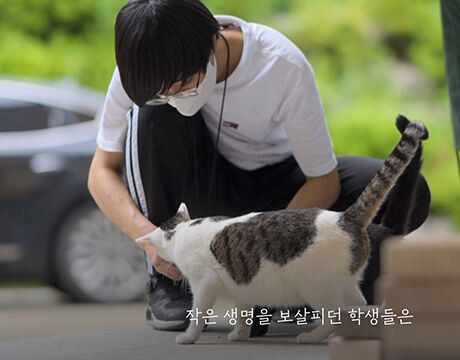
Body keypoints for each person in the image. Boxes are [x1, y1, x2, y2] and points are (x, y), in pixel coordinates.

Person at [88, 0, 430, 334]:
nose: (174, 94)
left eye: (183, 84)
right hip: (201, 202)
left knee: (404, 189)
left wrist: (276, 251)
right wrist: (150, 242)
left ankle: (306, 291)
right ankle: (170, 286)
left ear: (211, 45)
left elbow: (323, 181)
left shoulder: (280, 64)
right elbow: (101, 171)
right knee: (151, 114)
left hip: (280, 189)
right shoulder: (145, 72)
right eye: (165, 91)